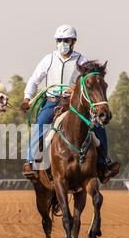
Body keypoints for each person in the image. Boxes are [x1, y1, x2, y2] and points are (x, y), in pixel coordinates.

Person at [21, 24, 120, 183]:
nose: (62, 43)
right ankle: (30, 162)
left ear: (73, 41)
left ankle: (104, 164)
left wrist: (78, 87)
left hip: (74, 104)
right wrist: (27, 98)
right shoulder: (49, 59)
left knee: (99, 126)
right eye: (59, 40)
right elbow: (34, 80)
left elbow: (91, 81)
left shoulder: (82, 60)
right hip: (52, 102)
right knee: (39, 124)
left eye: (66, 40)